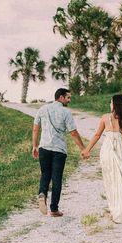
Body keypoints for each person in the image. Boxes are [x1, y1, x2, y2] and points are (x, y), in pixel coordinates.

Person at [81, 93, 122, 224]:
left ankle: (115, 210)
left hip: (107, 152)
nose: (109, 104)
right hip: (121, 152)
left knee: (111, 180)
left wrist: (87, 150)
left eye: (111, 102)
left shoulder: (105, 118)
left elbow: (97, 135)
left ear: (114, 105)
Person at [32, 87, 86, 217]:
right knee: (57, 178)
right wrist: (83, 148)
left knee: (45, 174)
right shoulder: (65, 112)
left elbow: (35, 129)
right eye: (68, 97)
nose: (69, 100)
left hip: (44, 147)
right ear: (61, 97)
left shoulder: (42, 109)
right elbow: (73, 132)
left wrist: (35, 146)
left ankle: (42, 193)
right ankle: (54, 209)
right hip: (59, 150)